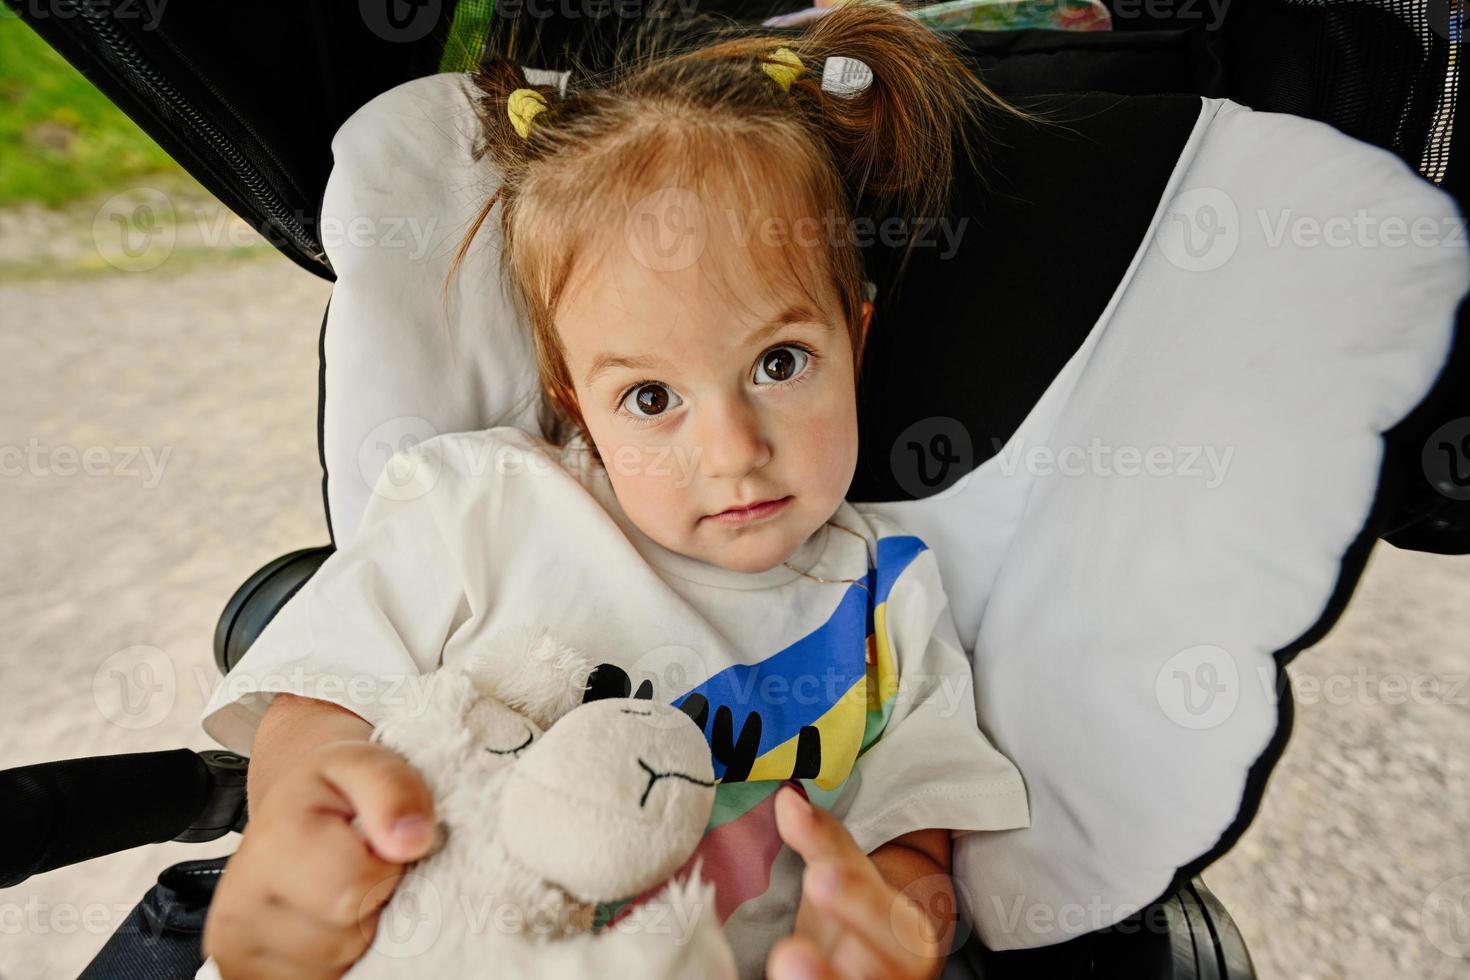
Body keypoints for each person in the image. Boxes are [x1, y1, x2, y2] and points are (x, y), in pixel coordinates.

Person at [198, 2, 1040, 977]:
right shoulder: (484, 501)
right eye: (651, 395)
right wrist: (299, 813)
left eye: (779, 362)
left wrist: (891, 923)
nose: (732, 450)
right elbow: (323, 688)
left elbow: (918, 827)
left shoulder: (890, 599)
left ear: (853, 338)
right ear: (577, 403)